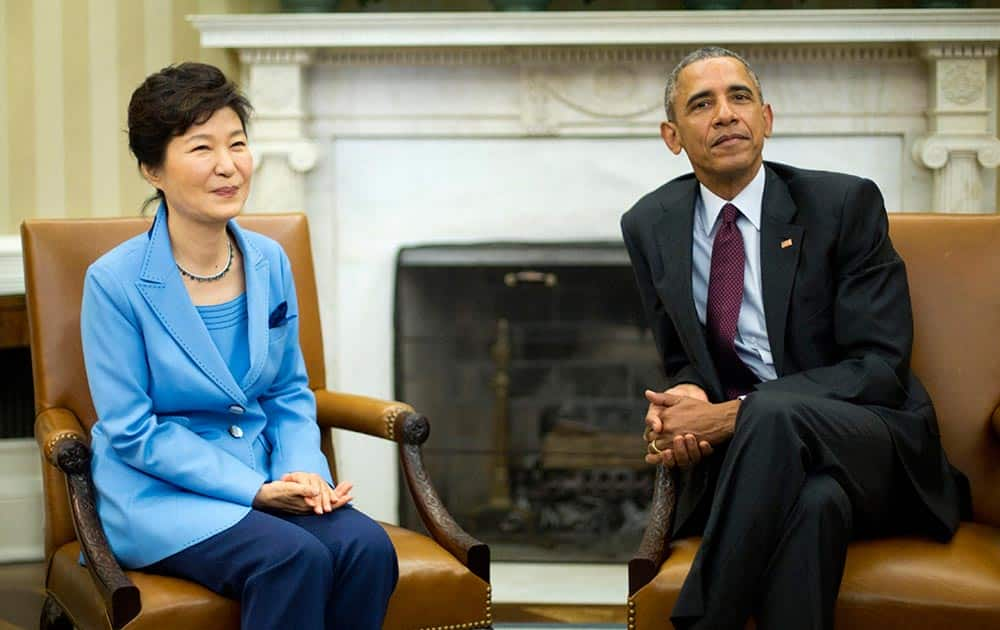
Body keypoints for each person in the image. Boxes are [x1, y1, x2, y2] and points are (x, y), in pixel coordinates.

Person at [621, 47, 969, 630]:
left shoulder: (843, 205)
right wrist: (686, 398)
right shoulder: (649, 224)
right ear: (672, 136)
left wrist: (737, 414)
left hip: (873, 444)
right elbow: (681, 356)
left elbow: (879, 368)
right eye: (702, 104)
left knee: (773, 415)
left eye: (740, 97)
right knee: (814, 505)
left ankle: (704, 621)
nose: (726, 114)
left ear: (767, 119)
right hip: (769, 470)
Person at [80, 62, 398, 630]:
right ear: (153, 168)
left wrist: (301, 471)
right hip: (161, 495)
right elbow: (130, 430)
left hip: (270, 475)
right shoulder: (114, 281)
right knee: (290, 558)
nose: (228, 166)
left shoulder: (269, 260)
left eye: (238, 143)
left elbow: (287, 391)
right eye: (202, 148)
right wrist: (254, 490)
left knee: (366, 547)